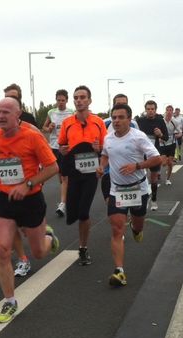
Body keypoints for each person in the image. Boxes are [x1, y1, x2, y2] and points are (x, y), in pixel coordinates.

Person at [0, 97, 60, 323]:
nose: (0, 116)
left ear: (18, 115)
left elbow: (53, 167)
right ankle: (10, 301)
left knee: (39, 253)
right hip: (5, 199)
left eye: (6, 112)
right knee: (3, 250)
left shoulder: (32, 137)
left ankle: (49, 238)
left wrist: (28, 184)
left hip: (31, 200)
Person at [96, 103, 162, 287]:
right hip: (117, 189)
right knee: (117, 229)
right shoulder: (108, 138)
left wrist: (137, 166)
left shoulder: (138, 137)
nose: (116, 121)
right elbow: (105, 154)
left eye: (120, 117)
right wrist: (101, 166)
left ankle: (136, 227)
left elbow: (157, 158)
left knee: (138, 226)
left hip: (137, 189)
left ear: (129, 119)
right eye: (114, 117)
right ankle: (119, 271)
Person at [0, 84, 36, 278]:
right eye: (5, 97)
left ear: (19, 103)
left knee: (27, 228)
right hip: (7, 185)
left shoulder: (30, 123)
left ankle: (40, 232)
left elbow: (40, 152)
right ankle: (23, 259)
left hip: (28, 184)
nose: (3, 112)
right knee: (11, 223)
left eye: (13, 98)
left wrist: (35, 180)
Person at [58, 85, 107, 266]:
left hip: (91, 172)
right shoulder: (67, 123)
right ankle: (78, 225)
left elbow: (105, 148)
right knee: (74, 212)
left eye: (82, 97)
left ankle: (83, 248)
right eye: (76, 97)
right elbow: (63, 147)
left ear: (89, 100)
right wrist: (63, 151)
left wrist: (99, 150)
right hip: (74, 171)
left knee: (84, 211)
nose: (79, 100)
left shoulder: (98, 122)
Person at [42, 89, 74, 217]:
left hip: (66, 146)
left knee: (64, 175)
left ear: (66, 100)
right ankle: (65, 194)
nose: (60, 102)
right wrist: (48, 128)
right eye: (58, 100)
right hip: (53, 146)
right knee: (59, 174)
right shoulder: (51, 112)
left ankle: (63, 203)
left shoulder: (71, 112)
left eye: (62, 100)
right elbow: (44, 127)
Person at [101, 93, 138, 201]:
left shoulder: (134, 124)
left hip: (129, 172)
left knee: (129, 206)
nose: (122, 107)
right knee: (112, 207)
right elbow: (102, 148)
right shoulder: (105, 123)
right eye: (118, 104)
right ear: (113, 106)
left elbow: (138, 146)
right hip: (110, 172)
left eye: (124, 104)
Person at [136, 100, 169, 211]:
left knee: (153, 177)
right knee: (140, 177)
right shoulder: (140, 121)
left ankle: (154, 199)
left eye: (152, 109)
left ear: (155, 110)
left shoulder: (160, 121)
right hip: (140, 153)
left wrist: (160, 134)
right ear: (145, 110)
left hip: (154, 152)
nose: (150, 111)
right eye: (148, 109)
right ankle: (142, 200)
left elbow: (166, 137)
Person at [162, 105, 179, 185]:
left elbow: (180, 132)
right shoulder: (161, 121)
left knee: (170, 163)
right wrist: (159, 137)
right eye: (167, 110)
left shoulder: (174, 122)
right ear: (165, 112)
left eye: (170, 110)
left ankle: (168, 179)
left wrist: (178, 135)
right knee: (164, 163)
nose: (169, 112)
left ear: (172, 112)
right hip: (162, 144)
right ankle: (158, 172)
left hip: (171, 144)